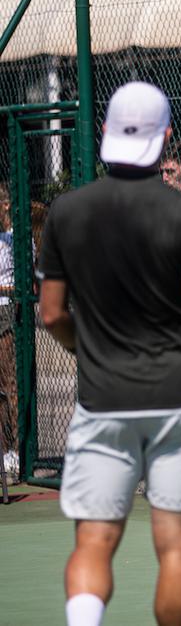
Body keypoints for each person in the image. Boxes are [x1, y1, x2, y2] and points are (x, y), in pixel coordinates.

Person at [36, 81, 181, 626]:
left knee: (93, 541)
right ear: (165, 140)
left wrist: (86, 349)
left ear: (110, 137)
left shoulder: (67, 212)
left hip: (101, 402)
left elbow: (51, 314)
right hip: (178, 404)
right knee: (176, 548)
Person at [0, 187, 17, 481]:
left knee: (8, 383)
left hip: (5, 312)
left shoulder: (17, 237)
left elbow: (22, 283)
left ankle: (14, 451)